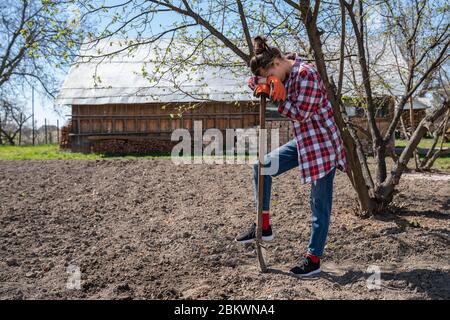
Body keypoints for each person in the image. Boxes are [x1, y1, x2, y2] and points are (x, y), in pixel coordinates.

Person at [235, 35, 347, 277]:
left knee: (319, 205)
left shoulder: (306, 75)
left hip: (322, 145)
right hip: (304, 141)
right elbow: (252, 78)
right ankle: (263, 226)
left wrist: (279, 96)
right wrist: (262, 84)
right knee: (262, 167)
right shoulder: (281, 68)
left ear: (277, 62)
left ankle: (313, 259)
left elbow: (300, 114)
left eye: (270, 76)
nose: (270, 81)